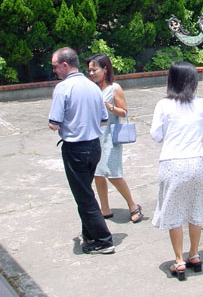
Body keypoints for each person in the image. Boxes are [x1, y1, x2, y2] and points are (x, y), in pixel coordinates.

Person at [150, 61, 203, 280]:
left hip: (172, 164)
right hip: (197, 164)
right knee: (195, 209)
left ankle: (178, 261)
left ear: (171, 81)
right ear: (192, 82)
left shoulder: (163, 105)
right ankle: (194, 255)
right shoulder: (201, 104)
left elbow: (156, 136)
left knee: (174, 212)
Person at [48, 47, 115, 254]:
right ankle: (90, 235)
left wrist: (72, 123)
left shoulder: (63, 88)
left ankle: (103, 240)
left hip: (76, 148)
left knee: (84, 197)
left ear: (65, 65)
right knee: (85, 192)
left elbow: (54, 123)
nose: (54, 71)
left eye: (55, 66)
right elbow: (104, 119)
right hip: (93, 146)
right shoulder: (93, 86)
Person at [86, 53, 143, 223]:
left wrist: (109, 107)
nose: (91, 73)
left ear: (105, 69)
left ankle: (133, 205)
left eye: (94, 69)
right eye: (89, 70)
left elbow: (124, 111)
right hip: (94, 137)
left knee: (113, 173)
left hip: (111, 136)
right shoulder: (93, 89)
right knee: (97, 173)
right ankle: (105, 208)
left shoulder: (114, 88)